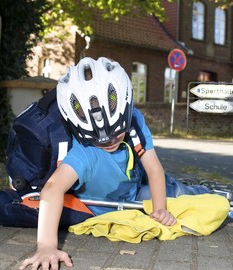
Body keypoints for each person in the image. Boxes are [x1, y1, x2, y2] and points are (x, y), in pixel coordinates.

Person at [17, 57, 209, 270]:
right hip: (118, 203)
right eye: (98, 139)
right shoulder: (85, 154)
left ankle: (205, 189)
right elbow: (52, 188)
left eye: (117, 134)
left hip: (136, 191)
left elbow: (154, 169)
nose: (109, 142)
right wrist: (46, 246)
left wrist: (161, 209)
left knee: (180, 191)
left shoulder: (135, 121)